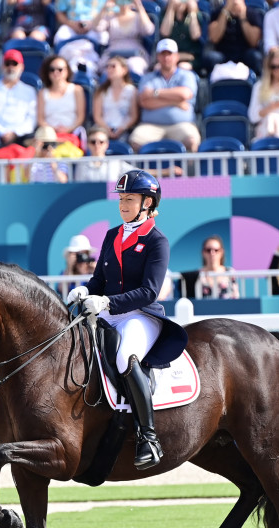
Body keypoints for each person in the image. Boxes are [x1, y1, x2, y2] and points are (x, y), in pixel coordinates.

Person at [66, 169, 189, 470]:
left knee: (125, 358)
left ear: (148, 202)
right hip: (108, 311)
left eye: (130, 199)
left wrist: (107, 301)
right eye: (121, 199)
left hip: (141, 316)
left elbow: (149, 291)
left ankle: (149, 437)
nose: (123, 204)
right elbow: (99, 280)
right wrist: (85, 290)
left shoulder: (157, 241)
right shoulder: (111, 235)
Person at [129, 39, 201, 152]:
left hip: (182, 124)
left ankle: (190, 170)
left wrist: (155, 93)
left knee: (192, 141)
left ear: (177, 56)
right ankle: (142, 170)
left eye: (170, 54)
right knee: (135, 141)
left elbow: (184, 94)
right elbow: (144, 101)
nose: (166, 58)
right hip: (151, 125)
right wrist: (175, 102)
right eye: (163, 54)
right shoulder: (148, 77)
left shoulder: (187, 75)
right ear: (158, 57)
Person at [0, 50, 39, 147]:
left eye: (14, 64)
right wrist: (2, 132)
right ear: (2, 66)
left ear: (21, 67)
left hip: (22, 137)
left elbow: (32, 119)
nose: (11, 67)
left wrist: (15, 133)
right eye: (7, 64)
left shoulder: (30, 91)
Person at [203, 0, 264, 77]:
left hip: (245, 53)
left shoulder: (253, 14)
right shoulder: (217, 13)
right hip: (223, 53)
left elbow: (254, 42)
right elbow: (214, 38)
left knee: (255, 57)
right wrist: (225, 12)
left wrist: (243, 17)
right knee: (211, 58)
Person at [97, 0, 157, 76]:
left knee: (135, 66)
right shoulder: (110, 17)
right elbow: (96, 27)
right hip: (113, 53)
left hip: (135, 53)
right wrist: (104, 9)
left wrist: (139, 7)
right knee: (110, 68)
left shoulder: (138, 17)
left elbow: (149, 30)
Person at [37, 56, 87, 138]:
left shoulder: (77, 90)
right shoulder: (42, 93)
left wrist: (68, 129)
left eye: (60, 69)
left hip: (72, 134)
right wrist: (52, 130)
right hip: (48, 136)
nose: (56, 72)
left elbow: (80, 117)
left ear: (67, 71)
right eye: (52, 69)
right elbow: (40, 119)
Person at [93, 57, 140, 142]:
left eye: (113, 66)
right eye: (107, 66)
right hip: (103, 130)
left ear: (124, 70)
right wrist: (106, 128)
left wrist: (122, 128)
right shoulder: (101, 91)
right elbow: (97, 116)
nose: (109, 69)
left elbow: (133, 116)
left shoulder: (132, 91)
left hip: (125, 131)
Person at [159, 0, 206, 74]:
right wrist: (171, 8)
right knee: (158, 68)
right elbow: (165, 33)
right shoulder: (166, 13)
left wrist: (192, 13)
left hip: (190, 58)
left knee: (182, 67)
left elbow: (195, 35)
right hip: (168, 56)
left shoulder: (195, 15)